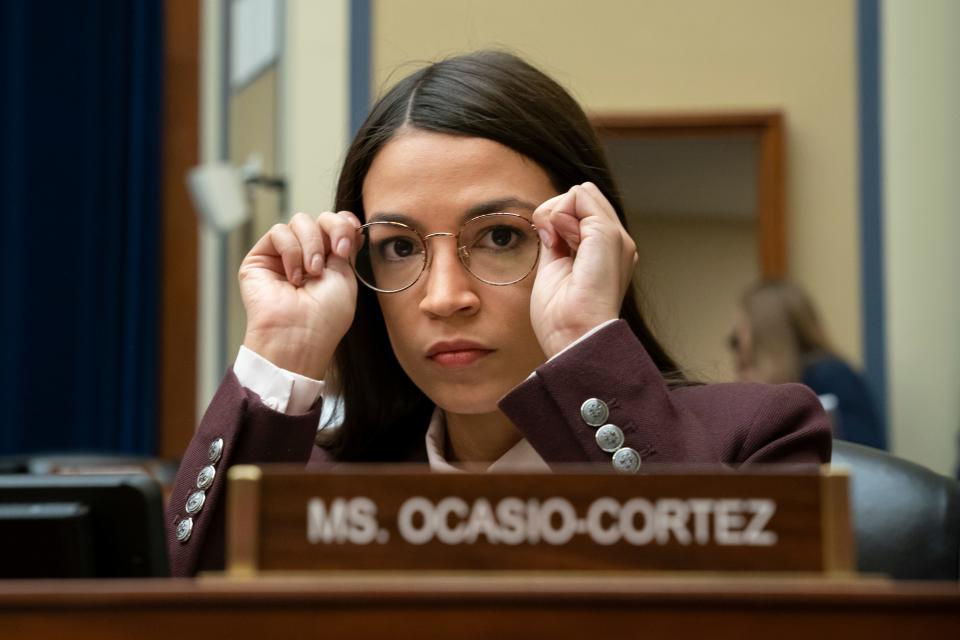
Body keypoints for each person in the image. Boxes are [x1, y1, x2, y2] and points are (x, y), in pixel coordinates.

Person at [167, 51, 831, 577]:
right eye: (399, 247)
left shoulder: (757, 438)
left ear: (585, 239)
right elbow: (181, 619)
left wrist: (584, 344)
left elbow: (737, 615)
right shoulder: (315, 491)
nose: (445, 296)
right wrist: (279, 349)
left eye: (501, 236)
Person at [729, 279, 885, 449]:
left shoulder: (831, 376)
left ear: (766, 336)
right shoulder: (806, 378)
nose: (739, 347)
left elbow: (865, 459)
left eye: (739, 335)